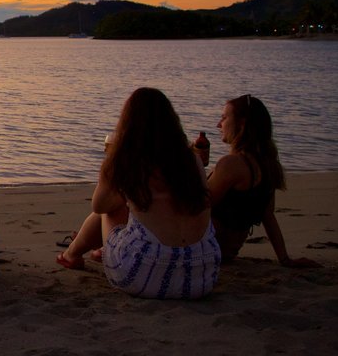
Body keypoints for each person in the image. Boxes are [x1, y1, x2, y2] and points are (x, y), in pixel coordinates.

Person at [60, 88, 220, 299]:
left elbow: (99, 206)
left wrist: (112, 171)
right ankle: (91, 251)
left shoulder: (127, 161)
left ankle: (72, 255)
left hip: (142, 276)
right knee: (139, 207)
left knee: (111, 210)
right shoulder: (192, 160)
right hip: (200, 276)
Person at [207, 94, 319, 267]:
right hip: (226, 253)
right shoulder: (269, 165)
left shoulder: (232, 164)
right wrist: (284, 259)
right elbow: (268, 217)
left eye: (224, 118)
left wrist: (194, 165)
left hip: (206, 251)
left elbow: (196, 206)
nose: (218, 124)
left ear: (242, 124)